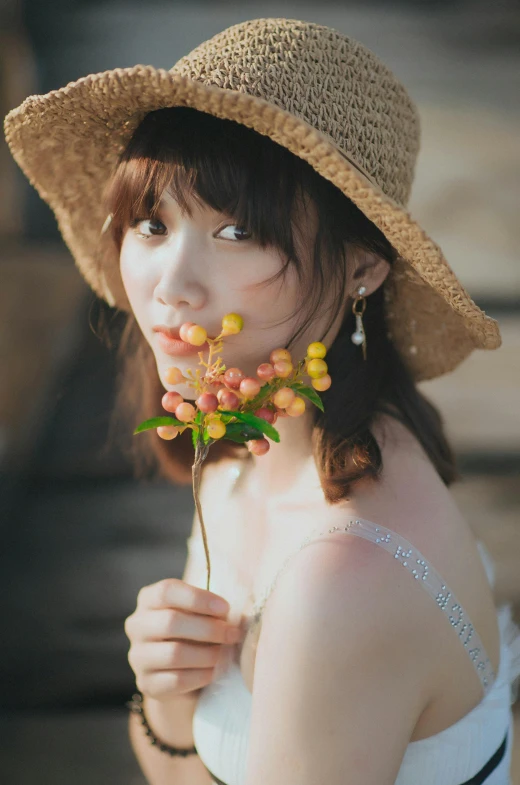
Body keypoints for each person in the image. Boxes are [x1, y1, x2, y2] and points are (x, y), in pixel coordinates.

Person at [5, 17, 520, 785]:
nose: (170, 286)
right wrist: (167, 691)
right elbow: (177, 765)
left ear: (363, 270)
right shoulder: (250, 443)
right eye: (153, 222)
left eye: (238, 229)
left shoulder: (342, 581)